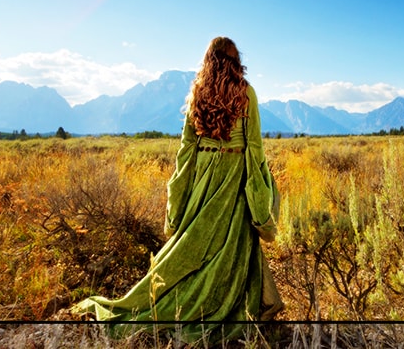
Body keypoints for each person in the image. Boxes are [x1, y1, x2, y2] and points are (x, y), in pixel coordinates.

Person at [72, 37, 283, 340]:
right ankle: (221, 305)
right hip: (234, 177)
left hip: (204, 177)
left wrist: (181, 194)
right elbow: (254, 147)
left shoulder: (198, 92)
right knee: (230, 248)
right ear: (237, 60)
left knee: (192, 244)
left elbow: (187, 150)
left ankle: (173, 302)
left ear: (208, 60)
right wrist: (261, 190)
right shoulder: (247, 93)